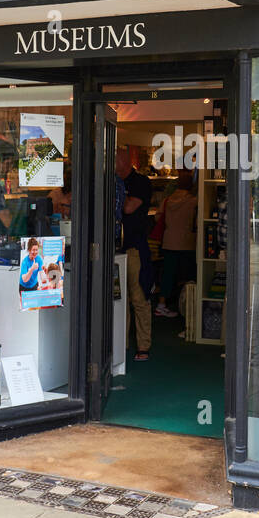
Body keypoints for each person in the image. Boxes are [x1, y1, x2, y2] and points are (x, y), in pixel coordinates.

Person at [115, 146, 153, 361]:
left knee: (139, 298)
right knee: (119, 300)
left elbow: (128, 208)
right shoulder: (111, 181)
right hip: (114, 248)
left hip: (134, 247)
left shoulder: (140, 182)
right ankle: (121, 345)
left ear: (125, 161)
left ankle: (143, 346)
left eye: (115, 159)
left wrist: (115, 201)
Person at [156, 170, 197, 318]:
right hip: (187, 242)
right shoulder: (194, 201)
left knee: (167, 274)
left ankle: (161, 305)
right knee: (187, 275)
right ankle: (187, 307)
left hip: (169, 241)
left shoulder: (167, 200)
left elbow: (157, 218)